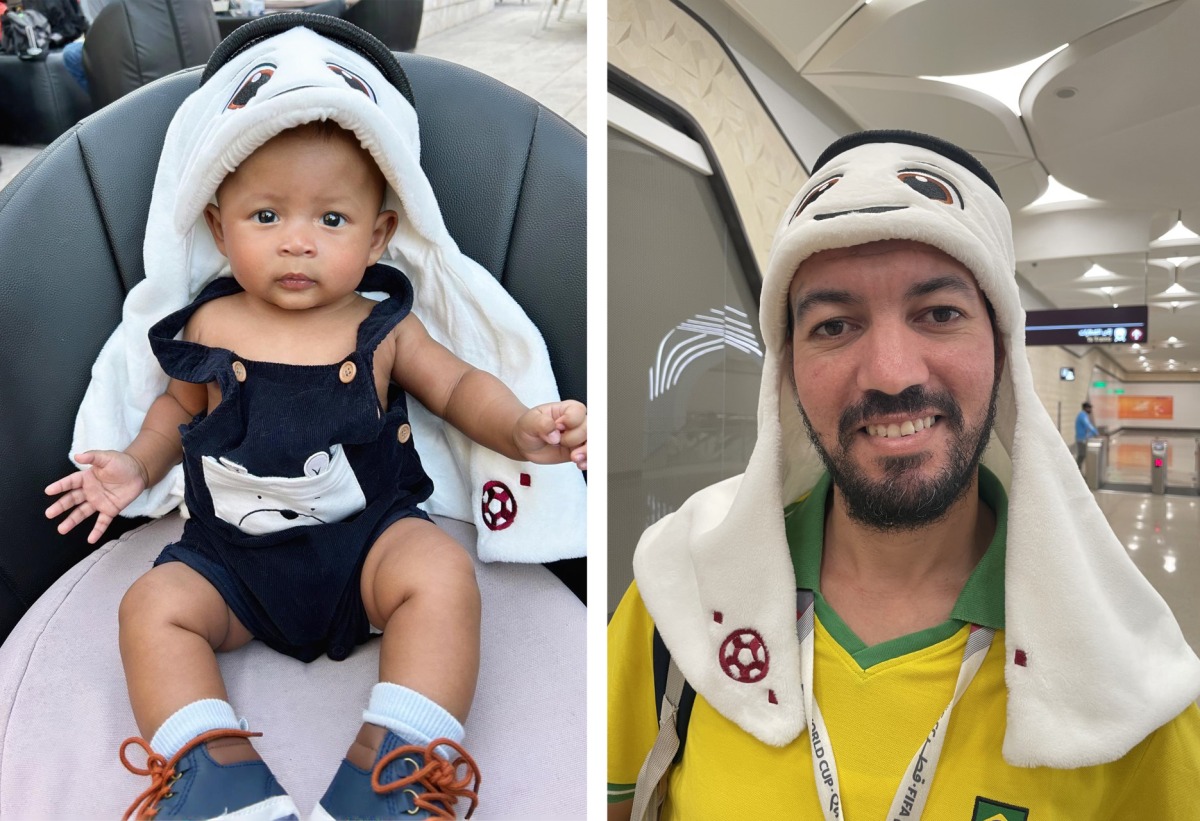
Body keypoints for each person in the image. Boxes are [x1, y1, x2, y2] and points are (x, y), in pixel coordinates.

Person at [45, 22, 586, 821]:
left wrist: (523, 428)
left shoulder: (383, 325)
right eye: (267, 217)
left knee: (439, 576)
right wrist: (133, 464)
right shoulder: (208, 325)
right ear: (220, 224)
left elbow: (462, 385)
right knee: (150, 609)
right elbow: (174, 410)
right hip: (231, 563)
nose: (297, 242)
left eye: (330, 221)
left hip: (367, 546)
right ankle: (216, 777)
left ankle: (395, 768)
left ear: (379, 235)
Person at [608, 130, 1200, 820]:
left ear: (1002, 352)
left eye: (939, 313)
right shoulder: (683, 594)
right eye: (834, 325)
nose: (892, 373)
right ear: (787, 369)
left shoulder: (1128, 677)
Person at [1075, 400, 1100, 467]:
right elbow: (1087, 425)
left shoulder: (1083, 415)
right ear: (1085, 408)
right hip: (1081, 439)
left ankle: (1078, 469)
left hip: (1082, 438)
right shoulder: (1082, 415)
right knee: (1082, 455)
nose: (1090, 410)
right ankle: (1077, 469)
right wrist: (1095, 432)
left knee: (1082, 455)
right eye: (1089, 408)